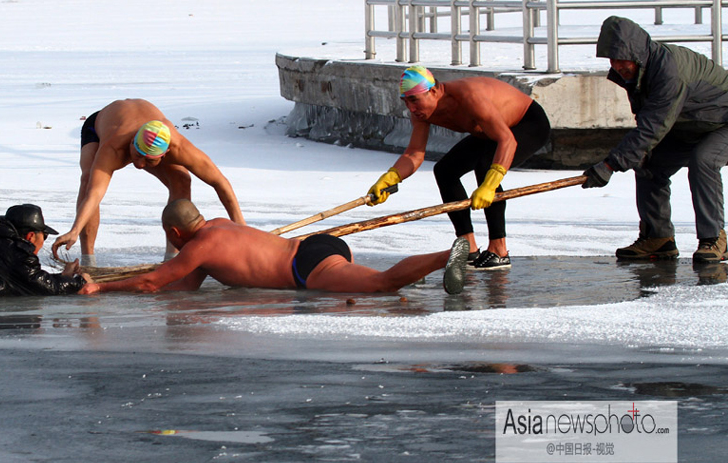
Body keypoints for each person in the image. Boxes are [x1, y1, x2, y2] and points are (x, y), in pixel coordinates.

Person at [365, 66, 551, 270]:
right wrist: (390, 178)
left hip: (528, 123)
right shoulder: (421, 113)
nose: (410, 108)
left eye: (415, 99)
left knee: (486, 167)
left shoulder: (468, 97)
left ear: (434, 91)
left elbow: (507, 141)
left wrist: (490, 185)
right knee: (445, 170)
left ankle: (499, 250)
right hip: (489, 132)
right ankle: (468, 247)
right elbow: (414, 154)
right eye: (406, 101)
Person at [81, 199, 469, 295]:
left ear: (175, 231)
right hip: (318, 246)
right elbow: (180, 286)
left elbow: (153, 283)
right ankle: (419, 270)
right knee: (372, 281)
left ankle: (444, 255)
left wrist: (101, 287)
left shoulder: (199, 247)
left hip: (307, 267)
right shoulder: (217, 227)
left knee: (382, 284)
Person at [582, 15, 728, 263]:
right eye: (612, 59)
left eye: (621, 59)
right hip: (689, 125)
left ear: (637, 53)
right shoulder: (635, 71)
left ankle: (714, 238)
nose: (617, 65)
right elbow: (647, 120)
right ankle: (658, 238)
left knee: (703, 160)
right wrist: (635, 154)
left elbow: (653, 126)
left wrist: (610, 165)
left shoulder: (669, 71)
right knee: (648, 164)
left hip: (722, 120)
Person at [53, 98, 245, 265]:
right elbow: (95, 194)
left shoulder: (180, 148)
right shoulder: (114, 148)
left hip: (146, 127)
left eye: (149, 160)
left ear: (166, 153)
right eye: (137, 155)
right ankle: (89, 260)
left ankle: (172, 256)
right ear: (131, 144)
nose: (140, 165)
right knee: (88, 179)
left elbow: (221, 183)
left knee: (182, 179)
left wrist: (242, 229)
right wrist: (74, 229)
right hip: (99, 125)